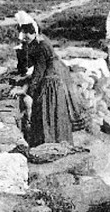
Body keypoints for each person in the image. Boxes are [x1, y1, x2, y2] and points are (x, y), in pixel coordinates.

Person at [15, 18, 79, 147]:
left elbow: (39, 72)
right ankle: (59, 140)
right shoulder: (41, 39)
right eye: (23, 33)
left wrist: (27, 90)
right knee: (56, 113)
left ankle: (49, 142)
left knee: (46, 110)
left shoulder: (40, 46)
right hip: (56, 75)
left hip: (51, 81)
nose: (24, 36)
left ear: (33, 32)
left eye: (27, 33)